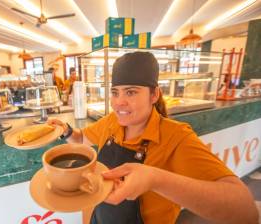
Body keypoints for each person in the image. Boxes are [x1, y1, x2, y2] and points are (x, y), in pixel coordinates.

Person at [48, 52, 259, 224]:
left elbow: (244, 210)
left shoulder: (176, 137)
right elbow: (83, 138)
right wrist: (66, 131)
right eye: (115, 92)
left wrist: (155, 179)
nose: (119, 102)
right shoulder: (112, 121)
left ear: (154, 94)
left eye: (130, 92)